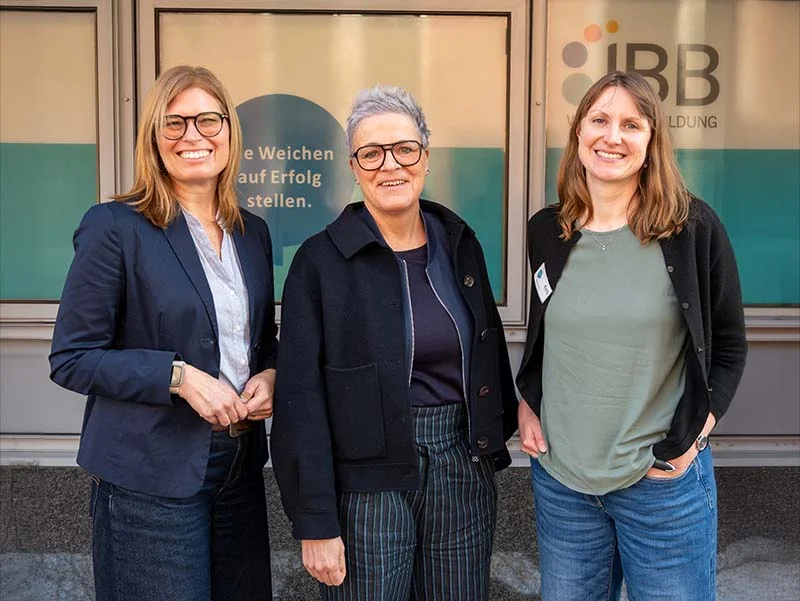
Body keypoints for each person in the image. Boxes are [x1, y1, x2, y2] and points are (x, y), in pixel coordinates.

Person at [270, 84, 518, 600]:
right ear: (354, 167)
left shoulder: (459, 244)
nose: (391, 165)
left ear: (425, 158)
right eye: (371, 153)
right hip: (364, 482)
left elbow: (486, 348)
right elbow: (300, 400)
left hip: (459, 466)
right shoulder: (320, 263)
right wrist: (315, 520)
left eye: (405, 149)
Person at [49, 65, 278, 601]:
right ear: (153, 139)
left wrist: (270, 373)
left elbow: (262, 339)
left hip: (238, 468)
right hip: (148, 476)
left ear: (229, 131)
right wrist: (178, 378)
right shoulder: (116, 226)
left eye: (207, 120)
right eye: (173, 124)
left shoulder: (252, 233)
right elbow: (73, 357)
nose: (193, 136)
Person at [516, 70, 747, 601]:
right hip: (563, 482)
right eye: (599, 120)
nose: (612, 136)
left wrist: (695, 435)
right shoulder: (547, 231)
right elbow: (545, 335)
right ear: (578, 134)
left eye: (631, 124)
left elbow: (730, 346)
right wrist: (529, 401)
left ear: (652, 141)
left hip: (660, 484)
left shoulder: (692, 230)